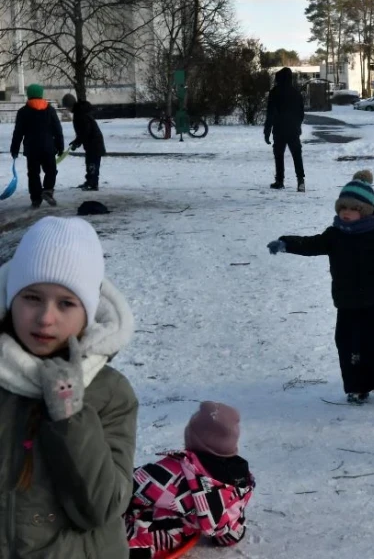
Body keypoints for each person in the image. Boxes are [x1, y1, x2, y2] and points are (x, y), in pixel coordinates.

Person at [0, 216, 138, 557]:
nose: (46, 318)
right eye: (32, 297)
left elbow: (101, 508)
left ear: (88, 313)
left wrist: (69, 415)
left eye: (65, 303)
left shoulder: (110, 393)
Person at [267, 170, 374, 404]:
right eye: (342, 208)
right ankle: (357, 387)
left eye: (352, 209)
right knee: (350, 348)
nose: (346, 213)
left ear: (365, 211)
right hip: (347, 303)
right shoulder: (335, 235)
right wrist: (286, 243)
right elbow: (311, 244)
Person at [126, 401, 256, 557]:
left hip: (142, 540)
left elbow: (127, 485)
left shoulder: (174, 474)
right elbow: (231, 533)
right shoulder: (236, 482)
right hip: (177, 537)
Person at [10, 83, 64, 207]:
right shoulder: (50, 110)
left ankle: (36, 199)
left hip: (31, 148)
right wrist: (60, 147)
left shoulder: (23, 112)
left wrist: (14, 149)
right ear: (41, 94)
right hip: (48, 147)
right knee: (51, 170)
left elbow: (18, 133)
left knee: (33, 174)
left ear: (28, 95)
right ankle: (48, 190)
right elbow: (58, 130)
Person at [264, 67, 306, 192]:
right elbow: (301, 113)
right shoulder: (296, 93)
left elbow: (270, 113)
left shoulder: (275, 92)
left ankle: (280, 180)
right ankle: (301, 181)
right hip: (293, 129)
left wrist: (267, 131)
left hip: (279, 129)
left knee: (279, 155)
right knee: (297, 155)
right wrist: (297, 125)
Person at [66, 98, 106, 191]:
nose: (67, 109)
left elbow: (85, 131)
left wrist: (77, 142)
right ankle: (89, 182)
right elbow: (83, 132)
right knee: (89, 162)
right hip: (92, 142)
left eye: (66, 107)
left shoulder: (80, 114)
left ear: (70, 105)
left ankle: (93, 184)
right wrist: (77, 141)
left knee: (92, 164)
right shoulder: (80, 112)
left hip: (94, 143)